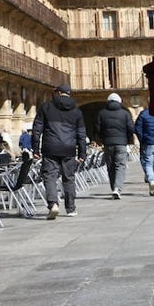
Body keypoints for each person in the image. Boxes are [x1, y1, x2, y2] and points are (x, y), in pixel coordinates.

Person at [32, 84, 87, 217]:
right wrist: (82, 153)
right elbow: (81, 133)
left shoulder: (46, 107)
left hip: (50, 147)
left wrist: (35, 148)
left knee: (49, 176)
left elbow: (37, 129)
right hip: (69, 148)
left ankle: (53, 204)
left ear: (58, 93)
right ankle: (71, 208)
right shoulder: (76, 111)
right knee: (69, 178)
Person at [97, 92, 135, 199]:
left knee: (110, 166)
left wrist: (102, 139)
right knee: (120, 166)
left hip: (108, 143)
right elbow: (131, 129)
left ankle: (113, 187)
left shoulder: (102, 113)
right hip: (121, 143)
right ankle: (117, 188)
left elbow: (98, 128)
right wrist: (127, 139)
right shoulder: (125, 113)